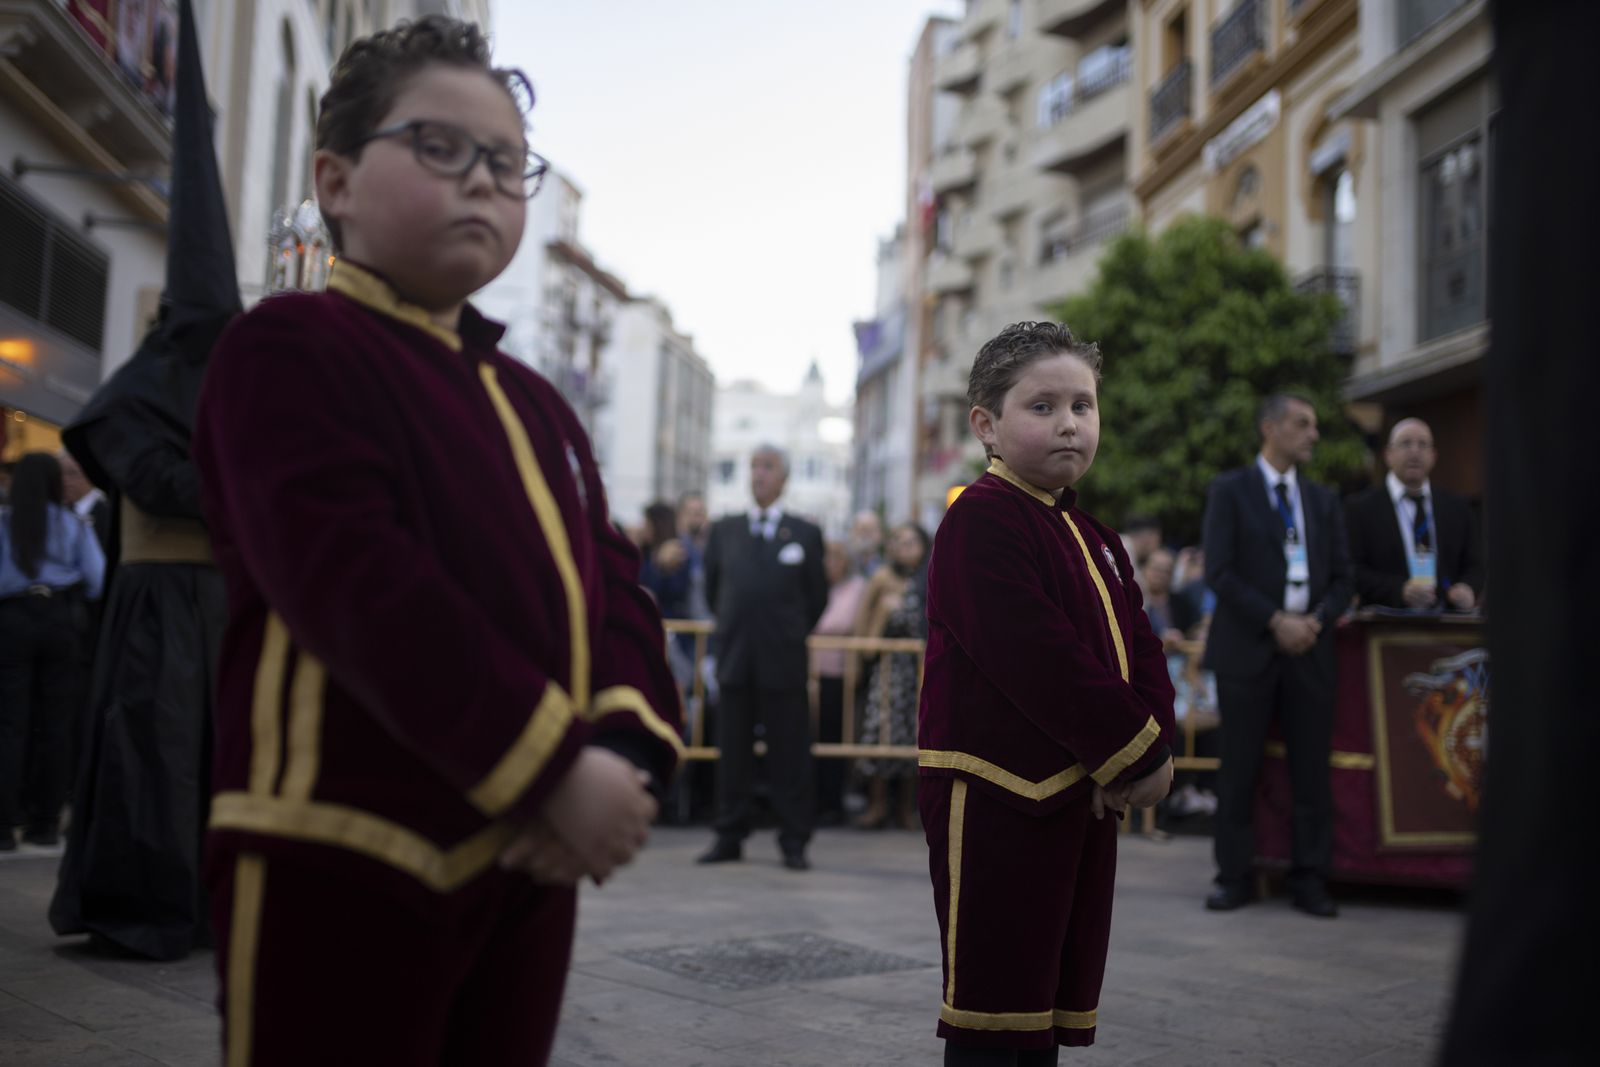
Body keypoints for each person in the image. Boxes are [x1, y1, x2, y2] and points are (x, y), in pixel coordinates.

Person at [190, 17, 681, 1065]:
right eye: (439, 147)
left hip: (529, 866)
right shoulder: (285, 345)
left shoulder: (538, 403)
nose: (481, 183)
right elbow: (357, 584)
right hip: (343, 848)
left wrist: (621, 750)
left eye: (508, 164)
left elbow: (616, 590)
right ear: (336, 178)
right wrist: (552, 764)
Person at [919, 322, 1175, 1064]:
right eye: (1043, 406)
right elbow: (1037, 656)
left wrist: (1148, 744)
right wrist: (1133, 754)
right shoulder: (980, 519)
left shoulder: (1094, 532)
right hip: (1000, 797)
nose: (1069, 422)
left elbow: (1141, 645)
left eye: (1083, 405)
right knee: (997, 1019)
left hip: (1082, 792)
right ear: (987, 424)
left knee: (1047, 1009)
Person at [51, 0, 237, 963]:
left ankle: (204, 901)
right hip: (158, 600)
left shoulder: (236, 382)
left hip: (220, 605)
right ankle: (142, 902)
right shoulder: (137, 396)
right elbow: (149, 473)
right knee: (152, 754)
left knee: (209, 756)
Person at [1202, 393, 1352, 918]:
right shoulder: (1230, 491)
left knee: (1312, 773)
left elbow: (1342, 577)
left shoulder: (1323, 500)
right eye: (1302, 423)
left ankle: (1311, 879)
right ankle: (1233, 876)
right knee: (1238, 770)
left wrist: (1313, 621)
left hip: (1310, 651)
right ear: (1270, 428)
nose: (1313, 434)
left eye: (1314, 424)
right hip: (1249, 649)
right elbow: (1219, 571)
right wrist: (1275, 620)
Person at [698, 445, 827, 871]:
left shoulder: (804, 534)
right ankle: (729, 834)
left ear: (784, 478)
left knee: (789, 754)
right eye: (753, 466)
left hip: (783, 661)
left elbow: (816, 598)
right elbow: (714, 590)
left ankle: (794, 840)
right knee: (731, 752)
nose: (758, 475)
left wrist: (787, 633)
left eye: (767, 467)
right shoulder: (726, 530)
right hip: (736, 658)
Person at [0, 453, 105, 850]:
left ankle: (4, 827)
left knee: (9, 724)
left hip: (11, 620)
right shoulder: (73, 525)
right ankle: (45, 824)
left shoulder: (4, 524)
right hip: (60, 620)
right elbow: (97, 580)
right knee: (56, 725)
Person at [1345, 418, 1484, 612]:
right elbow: (1352, 570)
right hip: (1386, 623)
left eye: (1422, 444)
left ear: (1434, 455)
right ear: (1388, 455)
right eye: (1406, 443)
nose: (1414, 451)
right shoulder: (1360, 508)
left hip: (1447, 622)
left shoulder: (1457, 507)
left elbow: (1476, 565)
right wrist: (1399, 590)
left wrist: (1468, 588)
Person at [851, 521, 931, 830]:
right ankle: (877, 804)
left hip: (920, 671)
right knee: (880, 733)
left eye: (910, 541)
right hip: (887, 671)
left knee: (915, 736)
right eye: (897, 541)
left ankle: (906, 809)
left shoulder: (928, 578)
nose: (903, 547)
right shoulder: (881, 579)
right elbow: (863, 622)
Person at [810, 540, 868, 826]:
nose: (829, 563)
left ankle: (832, 801)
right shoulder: (814, 586)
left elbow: (845, 623)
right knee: (809, 737)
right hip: (809, 672)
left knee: (833, 737)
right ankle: (812, 800)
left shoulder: (856, 588)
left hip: (838, 675)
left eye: (834, 558)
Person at [58, 450, 110, 554]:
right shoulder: (57, 512)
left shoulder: (106, 513)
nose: (64, 480)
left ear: (90, 475)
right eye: (59, 474)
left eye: (72, 473)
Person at [847, 509, 885, 577]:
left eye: (871, 530)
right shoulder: (843, 565)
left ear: (880, 535)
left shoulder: (887, 569)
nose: (866, 535)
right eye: (862, 529)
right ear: (852, 533)